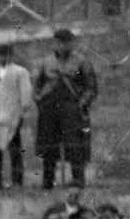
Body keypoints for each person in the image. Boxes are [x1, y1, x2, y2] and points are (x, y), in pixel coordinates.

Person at [33, 29, 98, 189]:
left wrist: (82, 104)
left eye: (66, 42)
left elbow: (91, 87)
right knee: (49, 146)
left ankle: (78, 179)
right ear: (54, 43)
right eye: (59, 42)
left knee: (75, 145)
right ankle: (48, 181)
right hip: (50, 108)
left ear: (72, 43)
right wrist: (40, 100)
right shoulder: (46, 62)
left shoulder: (81, 61)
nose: (62, 46)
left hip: (71, 107)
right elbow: (36, 87)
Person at [0, 44, 32, 191]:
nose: (2, 58)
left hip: (11, 116)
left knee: (15, 150)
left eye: (5, 55)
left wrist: (21, 111)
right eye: (0, 55)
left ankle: (17, 181)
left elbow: (26, 95)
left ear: (11, 56)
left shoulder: (20, 72)